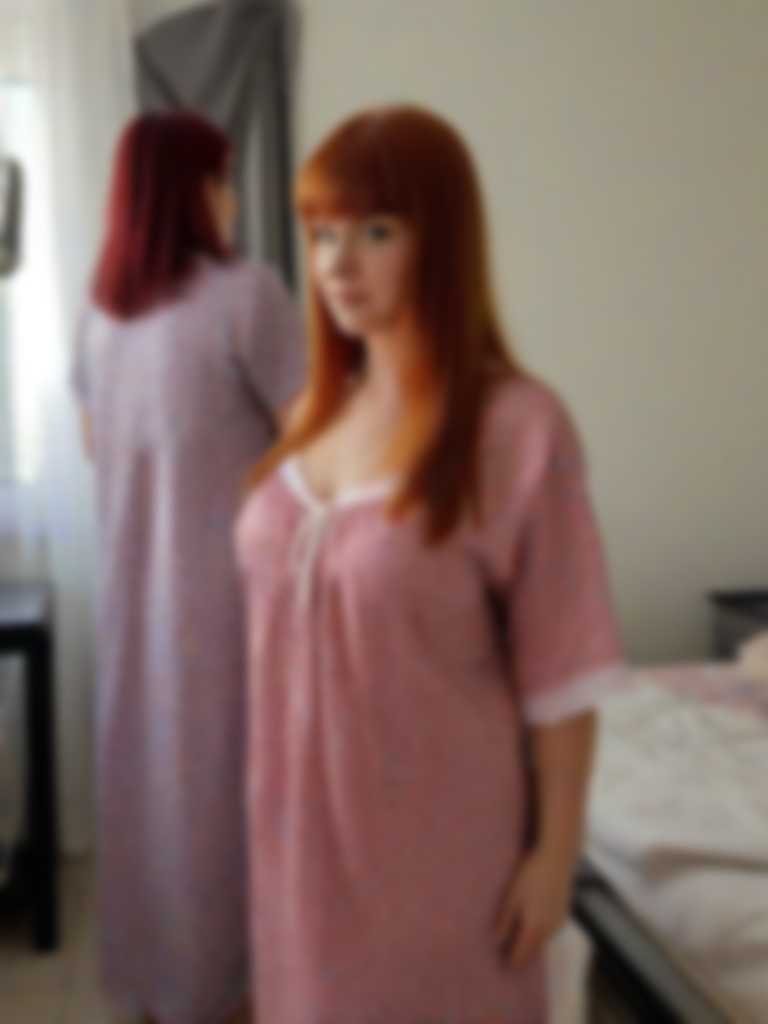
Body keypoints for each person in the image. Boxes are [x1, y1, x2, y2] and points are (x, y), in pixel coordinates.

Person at [234, 104, 626, 1024]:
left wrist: (554, 856)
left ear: (441, 240)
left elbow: (564, 675)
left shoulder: (517, 428)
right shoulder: (314, 417)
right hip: (293, 848)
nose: (338, 263)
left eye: (376, 231)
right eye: (323, 234)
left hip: (441, 861)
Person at [71, 110, 305, 1024]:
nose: (234, 197)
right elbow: (313, 443)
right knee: (223, 810)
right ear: (193, 190)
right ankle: (229, 996)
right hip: (224, 604)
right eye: (224, 177)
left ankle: (156, 993)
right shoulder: (247, 296)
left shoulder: (100, 314)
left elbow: (97, 446)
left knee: (149, 801)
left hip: (133, 603)